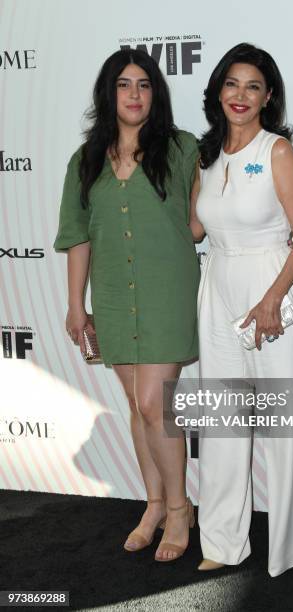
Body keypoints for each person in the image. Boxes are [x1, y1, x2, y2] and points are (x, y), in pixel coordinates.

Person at [54, 49, 199, 562]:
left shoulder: (182, 149)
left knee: (154, 405)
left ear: (155, 94)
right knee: (138, 410)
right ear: (108, 93)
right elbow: (77, 237)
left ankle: (180, 508)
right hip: (113, 294)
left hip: (166, 291)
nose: (134, 94)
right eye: (123, 85)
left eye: (144, 85)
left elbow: (204, 216)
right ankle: (154, 503)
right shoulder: (86, 158)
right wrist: (77, 305)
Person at [190, 43, 293, 576]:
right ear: (217, 92)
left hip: (271, 288)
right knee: (222, 424)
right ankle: (222, 542)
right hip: (217, 285)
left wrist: (273, 298)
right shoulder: (206, 156)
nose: (239, 95)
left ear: (268, 96)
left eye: (252, 86)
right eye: (231, 84)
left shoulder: (278, 152)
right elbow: (195, 229)